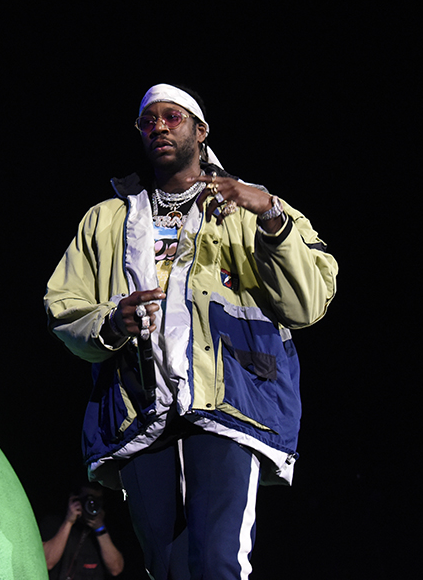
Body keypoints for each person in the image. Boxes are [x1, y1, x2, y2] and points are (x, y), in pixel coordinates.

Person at [44, 83, 338, 579]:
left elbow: (308, 303)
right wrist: (112, 320)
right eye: (148, 120)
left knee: (218, 560)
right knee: (167, 566)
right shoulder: (107, 218)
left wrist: (267, 213)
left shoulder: (251, 206)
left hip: (227, 400)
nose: (158, 125)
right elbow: (63, 308)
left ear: (200, 132)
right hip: (141, 406)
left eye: (172, 117)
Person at [41, 482, 125, 578]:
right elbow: (47, 562)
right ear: (75, 499)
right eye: (88, 499)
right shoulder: (53, 523)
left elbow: (116, 569)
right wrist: (68, 522)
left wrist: (100, 528)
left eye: (97, 500)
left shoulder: (107, 528)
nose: (92, 504)